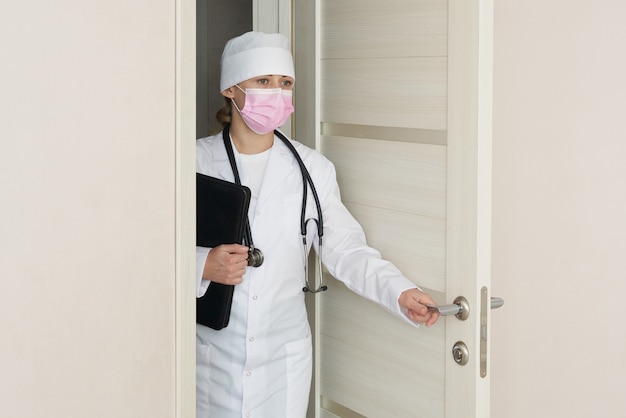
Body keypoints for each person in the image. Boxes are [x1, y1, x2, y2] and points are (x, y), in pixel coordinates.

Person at [196, 31, 440, 418]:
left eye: (285, 83)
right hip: (210, 354)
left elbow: (346, 249)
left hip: (283, 356)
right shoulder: (191, 162)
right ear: (231, 88)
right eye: (263, 82)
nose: (276, 94)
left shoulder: (313, 169)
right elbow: (148, 246)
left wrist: (399, 292)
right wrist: (202, 265)